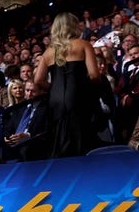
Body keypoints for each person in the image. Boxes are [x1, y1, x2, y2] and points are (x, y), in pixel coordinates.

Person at [34, 12, 101, 158]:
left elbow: (38, 80)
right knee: (82, 138)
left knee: (60, 140)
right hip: (78, 95)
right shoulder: (83, 45)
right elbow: (94, 75)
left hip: (55, 99)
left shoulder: (48, 52)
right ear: (73, 26)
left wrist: (53, 88)